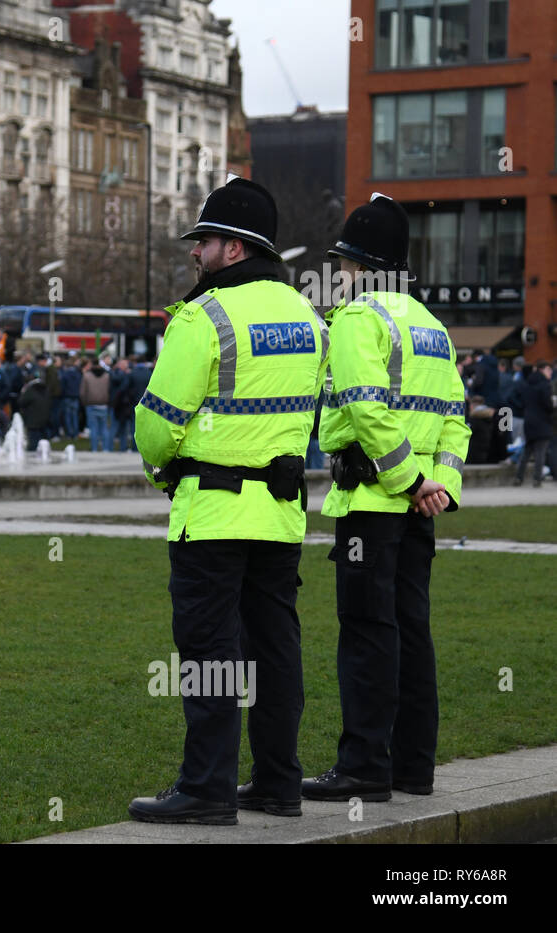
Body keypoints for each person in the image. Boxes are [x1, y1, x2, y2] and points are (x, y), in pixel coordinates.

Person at [128, 175, 327, 825]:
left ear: (235, 249)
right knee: (275, 650)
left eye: (204, 240)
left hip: (212, 514)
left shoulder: (204, 315)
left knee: (210, 657)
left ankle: (208, 788)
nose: (195, 252)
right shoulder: (308, 317)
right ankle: (277, 782)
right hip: (279, 514)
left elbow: (155, 424)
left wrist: (166, 466)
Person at [302, 193, 471, 803]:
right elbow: (456, 419)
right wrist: (439, 486)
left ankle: (363, 768)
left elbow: (367, 410)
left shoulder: (356, 319)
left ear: (363, 265)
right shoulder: (431, 326)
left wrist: (404, 481)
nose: (339, 274)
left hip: (373, 505)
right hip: (419, 511)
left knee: (368, 634)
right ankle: (412, 768)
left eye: (343, 263)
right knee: (412, 632)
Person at [514, 360, 553, 487]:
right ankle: (537, 479)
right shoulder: (545, 385)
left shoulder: (528, 384)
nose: (550, 372)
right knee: (540, 452)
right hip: (542, 422)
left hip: (529, 421)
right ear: (542, 370)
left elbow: (521, 401)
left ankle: (519, 478)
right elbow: (548, 405)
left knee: (527, 452)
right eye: (548, 369)